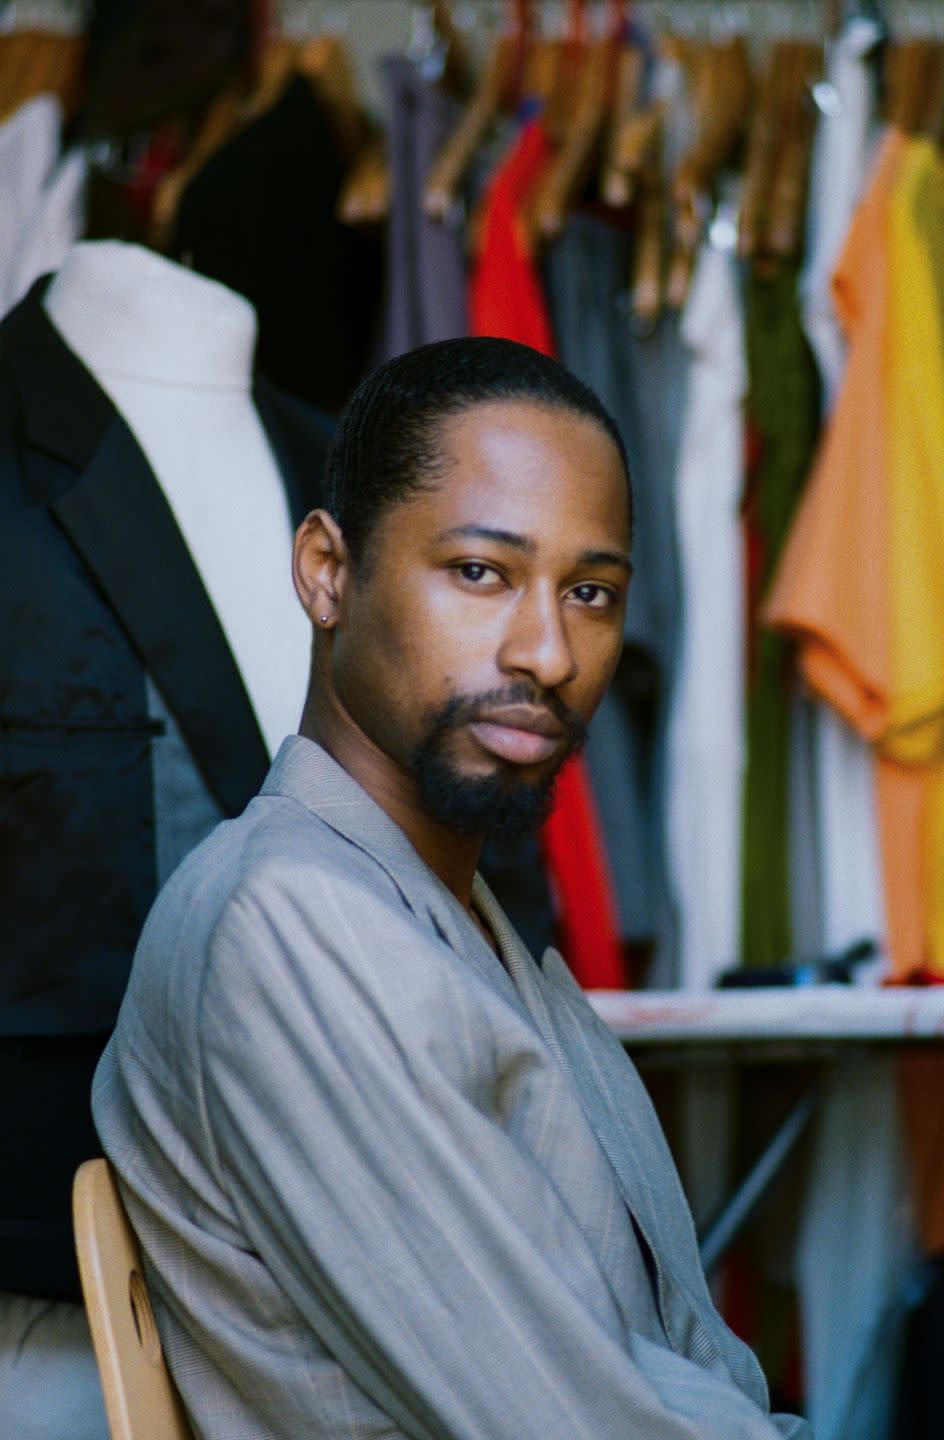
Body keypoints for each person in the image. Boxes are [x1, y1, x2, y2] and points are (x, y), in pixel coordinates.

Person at [92, 337, 810, 1440]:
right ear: (327, 571)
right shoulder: (289, 923)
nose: (547, 652)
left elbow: (686, 1367)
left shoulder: (458, 928)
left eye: (590, 592)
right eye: (480, 571)